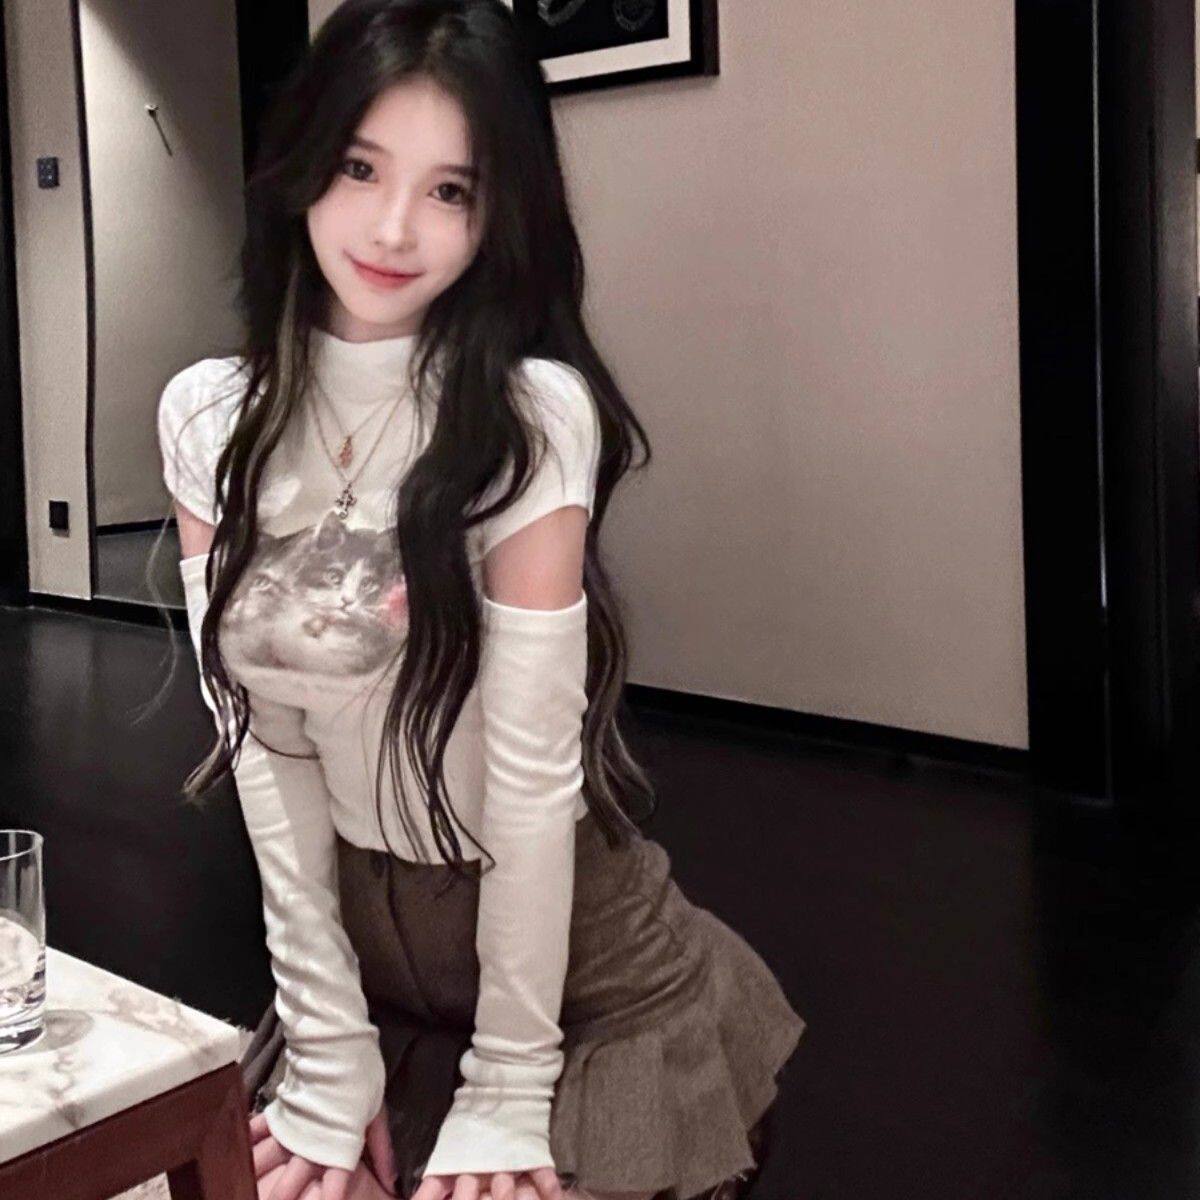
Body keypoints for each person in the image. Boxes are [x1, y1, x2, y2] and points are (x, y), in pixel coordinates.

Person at [155, 2, 805, 1198]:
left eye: (450, 190)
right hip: (360, 962)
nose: (394, 227)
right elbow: (265, 749)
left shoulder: (529, 416)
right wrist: (328, 1046)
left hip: (571, 968)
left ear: (500, 212)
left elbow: (530, 781)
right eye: (360, 167)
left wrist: (509, 1079)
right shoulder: (209, 418)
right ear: (303, 164)